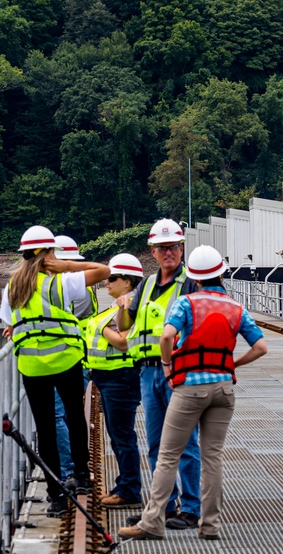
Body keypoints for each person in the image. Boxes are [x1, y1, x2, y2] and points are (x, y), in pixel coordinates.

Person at [117, 245, 268, 541]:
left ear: (195, 277)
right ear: (221, 273)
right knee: (212, 457)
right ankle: (209, 525)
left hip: (190, 388)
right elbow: (261, 347)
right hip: (224, 390)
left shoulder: (186, 302)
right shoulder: (235, 307)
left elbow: (167, 336)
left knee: (167, 455)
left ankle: (152, 523)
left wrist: (166, 366)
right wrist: (231, 364)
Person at [0, 225, 110, 517]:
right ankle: (82, 478)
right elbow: (103, 270)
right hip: (66, 360)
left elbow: (9, 322)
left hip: (32, 366)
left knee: (46, 429)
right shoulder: (60, 283)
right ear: (50, 254)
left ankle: (56, 497)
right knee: (75, 417)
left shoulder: (12, 288)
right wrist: (66, 266)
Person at [117, 218, 201, 530]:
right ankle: (165, 506)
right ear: (153, 251)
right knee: (155, 444)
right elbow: (126, 328)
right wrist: (122, 305)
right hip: (149, 373)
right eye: (163, 248)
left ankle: (192, 509)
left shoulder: (190, 284)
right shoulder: (146, 285)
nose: (169, 253)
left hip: (179, 372)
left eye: (174, 247)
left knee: (186, 443)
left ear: (182, 249)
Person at [84, 253, 144, 508]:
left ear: (128, 281)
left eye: (113, 278)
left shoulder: (130, 306)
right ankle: (124, 485)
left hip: (121, 378)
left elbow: (123, 342)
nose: (106, 282)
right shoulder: (118, 305)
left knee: (122, 436)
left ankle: (129, 490)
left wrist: (100, 328)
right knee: (118, 436)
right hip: (108, 379)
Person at [51, 234, 98, 488]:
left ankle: (69, 470)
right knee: (68, 413)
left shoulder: (71, 290)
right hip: (77, 358)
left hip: (69, 358)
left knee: (59, 413)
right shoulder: (81, 287)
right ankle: (73, 469)